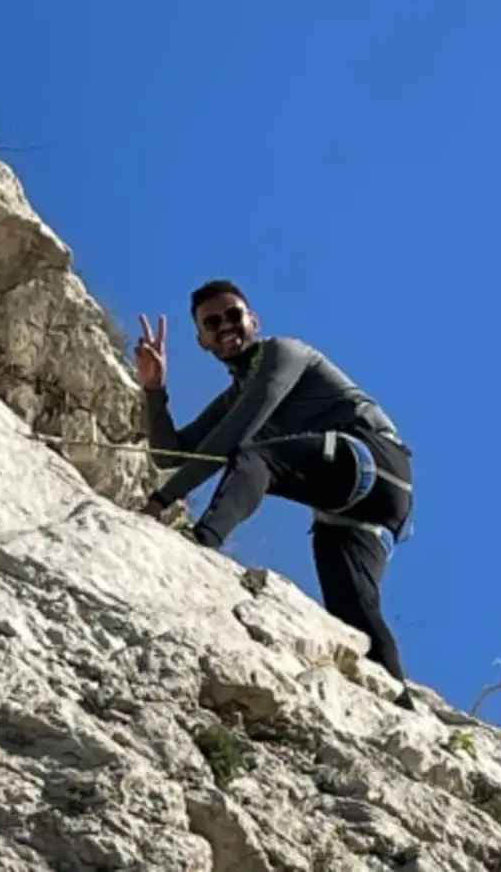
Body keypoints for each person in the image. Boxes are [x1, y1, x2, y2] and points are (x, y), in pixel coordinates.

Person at [134, 279, 417, 711]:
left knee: (254, 456)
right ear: (202, 341)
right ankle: (403, 708)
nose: (226, 327)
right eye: (212, 323)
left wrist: (159, 501)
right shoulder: (237, 394)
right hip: (356, 509)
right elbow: (169, 454)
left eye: (234, 316)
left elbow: (235, 437)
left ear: (254, 321)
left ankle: (202, 543)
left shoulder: (282, 354)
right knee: (354, 613)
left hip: (375, 460)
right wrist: (153, 390)